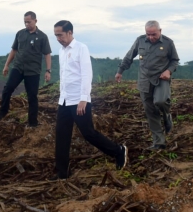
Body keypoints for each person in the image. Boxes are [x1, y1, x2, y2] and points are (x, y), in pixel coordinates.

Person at [51, 20, 128, 180]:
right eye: (56, 35)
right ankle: (61, 173)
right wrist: (61, 97)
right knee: (61, 135)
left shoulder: (81, 48)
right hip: (64, 101)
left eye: (60, 34)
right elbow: (65, 77)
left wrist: (84, 99)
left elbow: (87, 74)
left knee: (88, 133)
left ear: (70, 32)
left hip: (79, 101)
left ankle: (118, 151)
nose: (58, 38)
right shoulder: (62, 51)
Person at [115, 20, 179, 150]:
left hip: (161, 78)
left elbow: (174, 61)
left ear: (160, 31)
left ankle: (167, 116)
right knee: (150, 111)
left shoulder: (168, 43)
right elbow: (129, 56)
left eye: (153, 34)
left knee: (161, 101)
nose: (151, 37)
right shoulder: (140, 40)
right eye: (148, 34)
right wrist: (120, 71)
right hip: (144, 80)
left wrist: (168, 71)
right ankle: (159, 142)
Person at [0, 11, 52, 127]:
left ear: (35, 21)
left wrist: (48, 70)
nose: (27, 24)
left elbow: (47, 54)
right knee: (7, 89)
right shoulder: (20, 34)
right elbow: (14, 50)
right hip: (18, 67)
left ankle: (32, 122)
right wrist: (6, 65)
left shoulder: (42, 36)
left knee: (32, 96)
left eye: (29, 22)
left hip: (33, 71)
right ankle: (3, 111)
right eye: (25, 22)